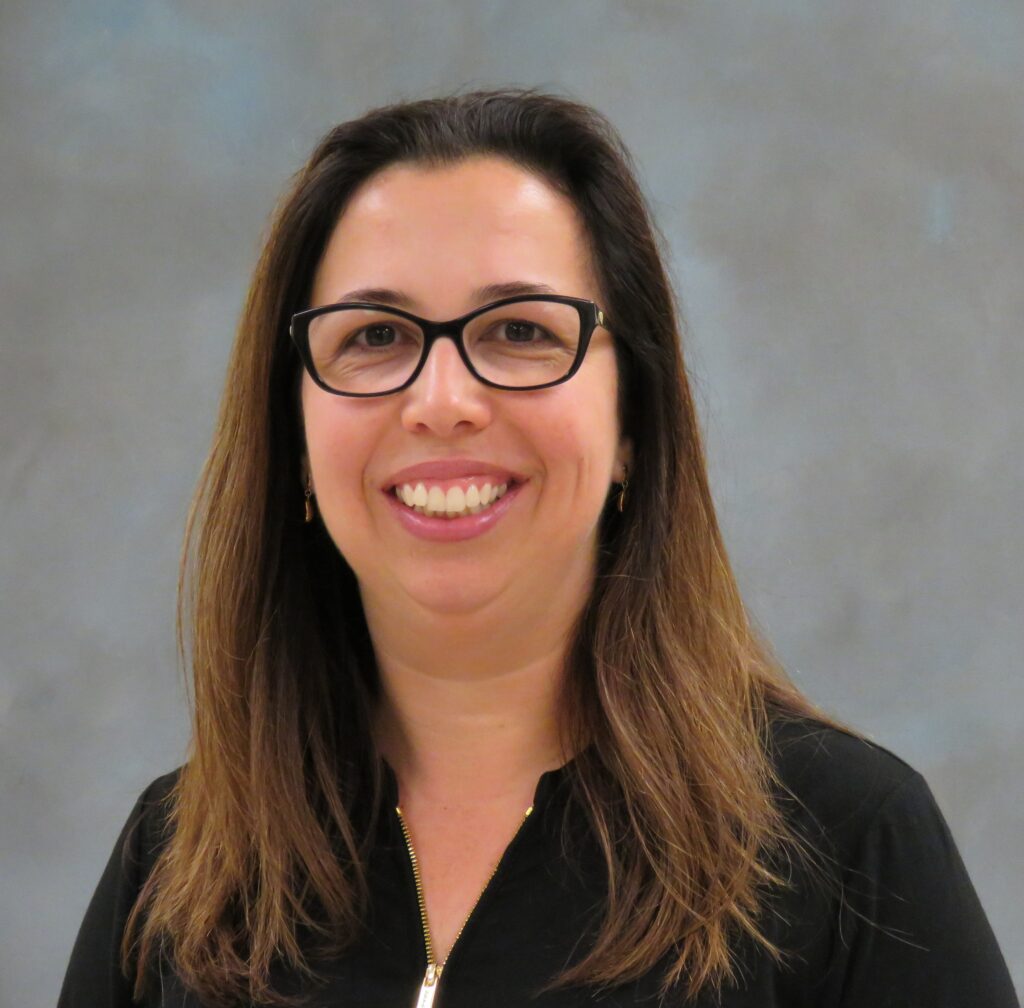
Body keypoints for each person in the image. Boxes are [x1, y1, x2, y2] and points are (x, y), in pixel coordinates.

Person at [59, 90, 1018, 1008]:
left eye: (519, 331)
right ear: (296, 440)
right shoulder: (177, 867)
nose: (442, 401)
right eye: (376, 336)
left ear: (632, 422)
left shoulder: (845, 843)